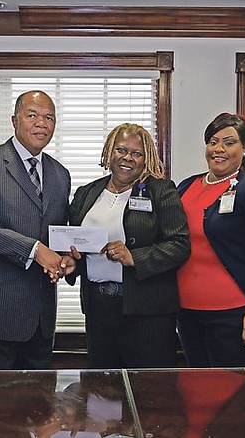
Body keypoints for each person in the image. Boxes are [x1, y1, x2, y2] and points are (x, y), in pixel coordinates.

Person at [0, 90, 71, 370]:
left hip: (42, 318)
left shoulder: (60, 174)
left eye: (49, 117)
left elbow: (58, 234)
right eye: (32, 115)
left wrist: (67, 258)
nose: (41, 124)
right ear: (14, 120)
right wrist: (35, 251)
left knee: (41, 406)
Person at [66, 123, 190, 368]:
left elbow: (180, 244)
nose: (127, 158)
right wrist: (73, 261)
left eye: (137, 153)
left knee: (148, 392)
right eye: (121, 150)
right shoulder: (87, 193)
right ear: (109, 152)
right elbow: (78, 242)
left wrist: (134, 257)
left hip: (146, 311)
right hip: (98, 309)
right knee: (103, 389)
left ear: (146, 160)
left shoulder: (160, 190)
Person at [176, 112, 245, 367]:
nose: (219, 149)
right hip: (189, 315)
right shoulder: (186, 187)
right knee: (200, 395)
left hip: (238, 315)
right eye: (213, 141)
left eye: (229, 142)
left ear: (244, 148)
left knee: (240, 400)